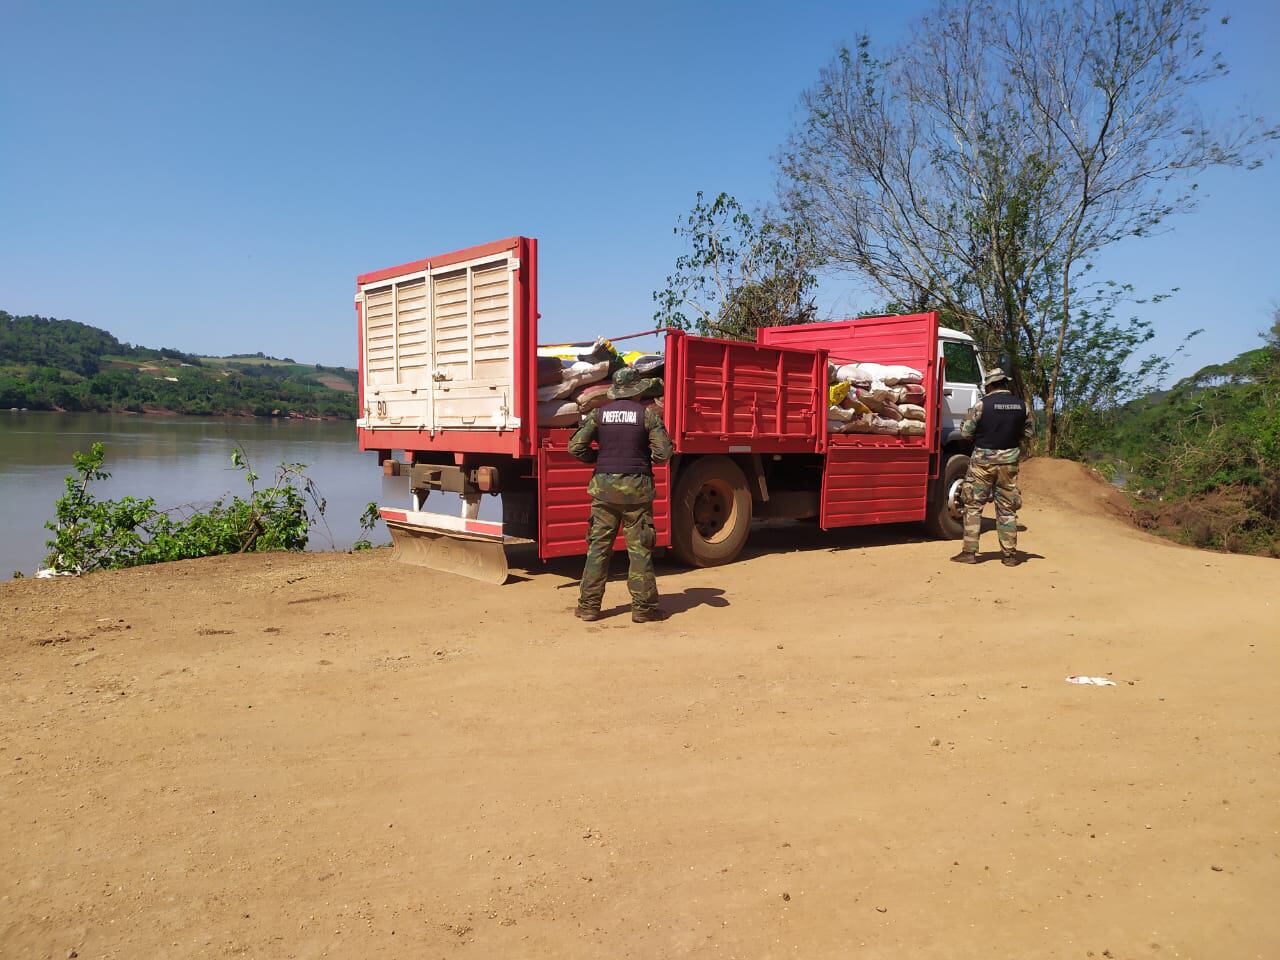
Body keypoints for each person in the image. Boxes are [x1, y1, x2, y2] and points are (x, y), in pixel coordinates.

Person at [568, 367, 673, 622]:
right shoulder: (647, 416)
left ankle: (589, 607)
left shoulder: (598, 415)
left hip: (604, 491)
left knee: (598, 549)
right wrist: (644, 459)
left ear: (615, 392)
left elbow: (575, 447)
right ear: (637, 391)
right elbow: (663, 454)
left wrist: (597, 458)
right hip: (637, 492)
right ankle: (643, 609)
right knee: (639, 551)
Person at [951, 368, 1034, 567]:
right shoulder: (1022, 406)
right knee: (1007, 508)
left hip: (982, 462)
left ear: (989, 385)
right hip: (1009, 462)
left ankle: (969, 553)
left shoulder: (981, 405)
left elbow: (965, 432)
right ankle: (1009, 556)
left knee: (973, 505)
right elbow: (1028, 433)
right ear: (1005, 383)